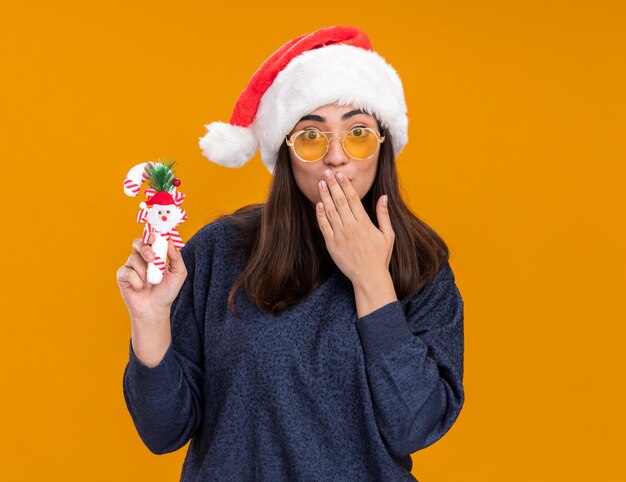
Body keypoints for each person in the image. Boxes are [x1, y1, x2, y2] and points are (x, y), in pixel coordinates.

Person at [117, 25, 465, 482]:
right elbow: (163, 432)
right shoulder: (220, 251)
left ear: (383, 145)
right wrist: (149, 321)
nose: (336, 156)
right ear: (285, 151)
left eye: (358, 132)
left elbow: (415, 427)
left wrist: (371, 281)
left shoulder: (422, 265)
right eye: (311, 136)